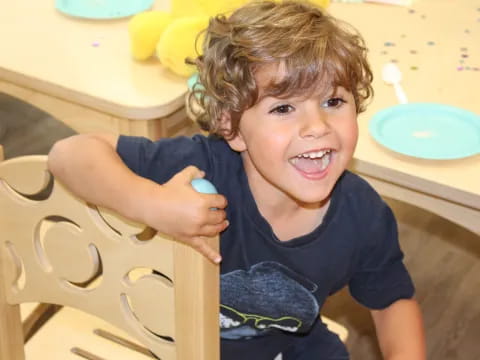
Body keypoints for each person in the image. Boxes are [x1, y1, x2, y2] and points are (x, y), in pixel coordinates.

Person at [48, 1, 426, 359]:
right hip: (167, 340)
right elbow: (70, 154)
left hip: (288, 344)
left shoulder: (364, 215)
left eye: (333, 102)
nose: (317, 127)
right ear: (233, 128)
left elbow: (392, 300)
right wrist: (152, 204)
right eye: (283, 108)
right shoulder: (201, 167)